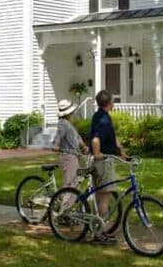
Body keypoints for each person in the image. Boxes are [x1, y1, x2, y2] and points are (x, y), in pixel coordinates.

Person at [89, 89, 127, 244]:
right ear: (108, 103)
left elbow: (113, 137)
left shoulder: (102, 116)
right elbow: (96, 138)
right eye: (113, 100)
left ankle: (99, 228)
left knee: (101, 197)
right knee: (105, 197)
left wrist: (122, 152)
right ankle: (99, 233)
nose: (114, 103)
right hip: (103, 161)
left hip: (105, 160)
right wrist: (97, 153)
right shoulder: (103, 119)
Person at [51, 99, 87, 188]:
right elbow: (59, 135)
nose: (74, 114)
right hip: (69, 156)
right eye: (73, 112)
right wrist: (55, 145)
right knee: (70, 183)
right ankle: (65, 202)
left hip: (75, 155)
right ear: (68, 113)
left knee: (76, 181)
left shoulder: (69, 124)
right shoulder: (63, 123)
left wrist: (84, 146)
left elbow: (78, 137)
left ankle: (68, 200)